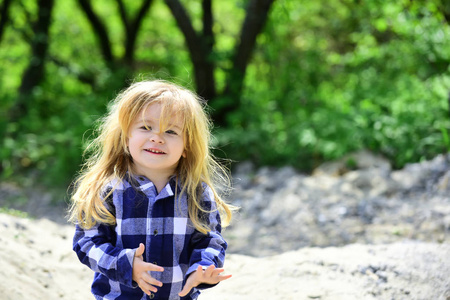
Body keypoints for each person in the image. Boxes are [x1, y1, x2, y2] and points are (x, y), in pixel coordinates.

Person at [68, 80, 236, 299]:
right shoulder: (108, 190)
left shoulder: (197, 194)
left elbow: (210, 241)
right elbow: (87, 243)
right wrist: (126, 265)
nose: (157, 137)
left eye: (171, 131)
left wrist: (202, 269)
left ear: (187, 145)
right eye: (145, 127)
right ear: (125, 136)